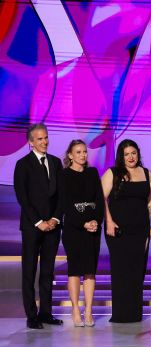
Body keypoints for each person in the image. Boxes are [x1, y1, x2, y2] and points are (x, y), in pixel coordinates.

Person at [102, 139, 151, 323]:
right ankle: (120, 314)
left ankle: (134, 313)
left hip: (140, 229)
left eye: (133, 153)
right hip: (118, 230)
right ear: (121, 156)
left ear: (138, 154)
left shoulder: (146, 173)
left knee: (137, 270)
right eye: (126, 154)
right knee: (121, 270)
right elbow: (101, 198)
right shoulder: (113, 173)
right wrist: (108, 221)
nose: (131, 157)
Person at [13, 123, 63, 329]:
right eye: (40, 139)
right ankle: (31, 315)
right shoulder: (22, 164)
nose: (44, 142)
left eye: (46, 138)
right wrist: (39, 222)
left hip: (53, 226)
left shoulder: (56, 162)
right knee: (30, 270)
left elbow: (61, 195)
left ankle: (46, 313)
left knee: (47, 271)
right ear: (31, 142)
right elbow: (23, 198)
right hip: (32, 227)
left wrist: (55, 219)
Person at [58, 140, 104, 327]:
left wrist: (95, 222)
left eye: (85, 151)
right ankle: (76, 308)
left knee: (90, 271)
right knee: (75, 270)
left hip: (92, 229)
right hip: (74, 229)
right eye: (78, 152)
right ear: (70, 155)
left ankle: (89, 310)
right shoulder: (64, 175)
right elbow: (66, 205)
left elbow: (99, 200)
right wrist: (83, 223)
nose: (83, 155)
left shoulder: (93, 173)